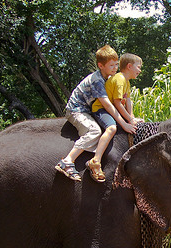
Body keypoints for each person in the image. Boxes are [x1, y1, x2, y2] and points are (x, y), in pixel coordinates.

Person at [55, 45, 136, 183]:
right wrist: (124, 123)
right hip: (78, 110)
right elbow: (107, 105)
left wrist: (130, 118)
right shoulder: (97, 80)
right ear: (100, 65)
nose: (115, 68)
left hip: (90, 109)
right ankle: (68, 161)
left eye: (116, 64)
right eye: (111, 65)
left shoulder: (109, 79)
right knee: (94, 131)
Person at [102, 53, 144, 126]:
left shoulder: (126, 81)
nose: (140, 70)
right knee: (112, 128)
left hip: (114, 110)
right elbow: (117, 103)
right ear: (129, 66)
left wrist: (132, 118)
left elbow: (128, 100)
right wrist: (130, 120)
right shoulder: (120, 79)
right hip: (103, 110)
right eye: (138, 67)